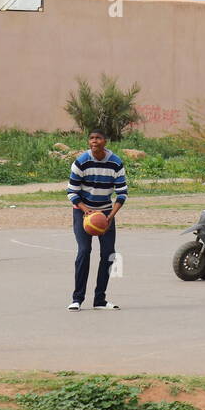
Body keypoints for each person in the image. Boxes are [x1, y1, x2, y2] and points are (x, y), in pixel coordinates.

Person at [65, 129, 127, 310]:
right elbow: (71, 192)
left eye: (98, 138)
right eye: (91, 138)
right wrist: (86, 211)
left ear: (105, 141)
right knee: (84, 251)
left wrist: (110, 216)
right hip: (83, 212)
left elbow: (122, 193)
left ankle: (100, 299)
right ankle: (77, 298)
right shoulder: (81, 162)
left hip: (106, 213)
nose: (94, 141)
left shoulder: (115, 163)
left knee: (108, 254)